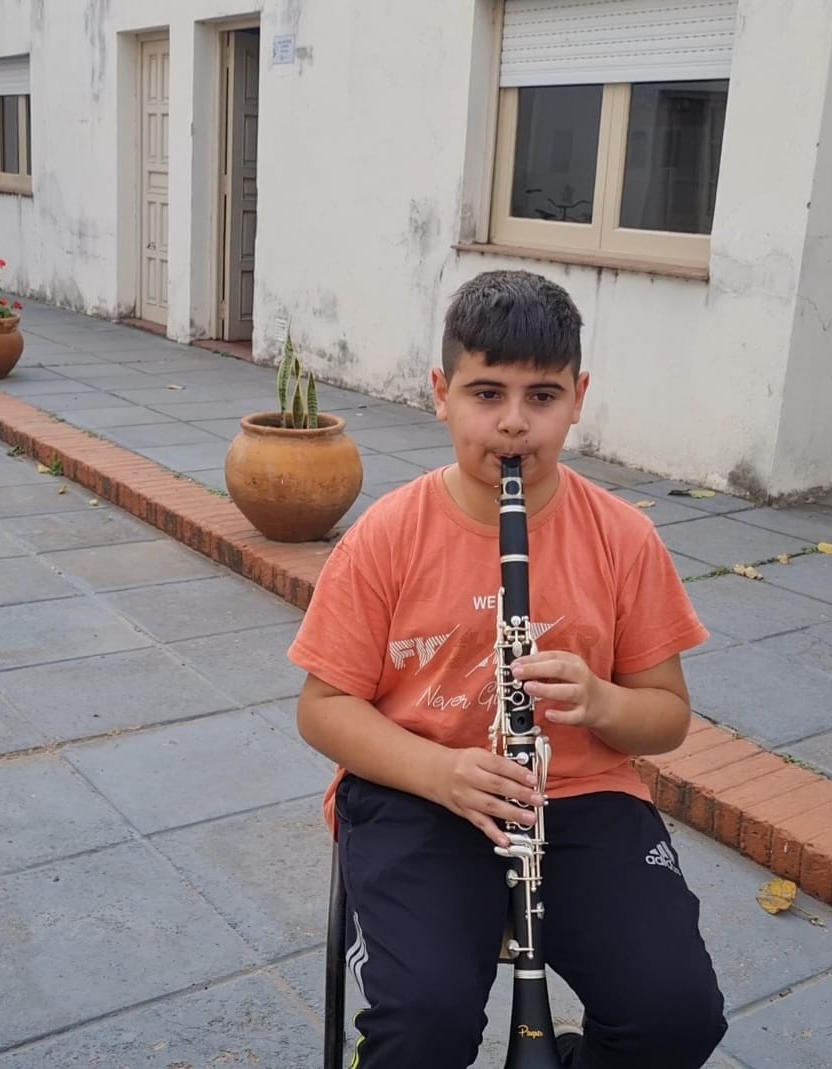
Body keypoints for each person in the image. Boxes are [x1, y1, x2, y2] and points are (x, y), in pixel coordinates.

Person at [288, 270, 727, 1068]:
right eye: (486, 393)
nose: (515, 422)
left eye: (543, 396)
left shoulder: (622, 536)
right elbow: (322, 708)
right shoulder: (387, 535)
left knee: (677, 1015)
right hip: (417, 791)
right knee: (421, 1027)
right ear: (442, 393)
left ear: (578, 398)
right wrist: (442, 771)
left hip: (580, 795)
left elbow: (667, 715)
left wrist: (599, 700)